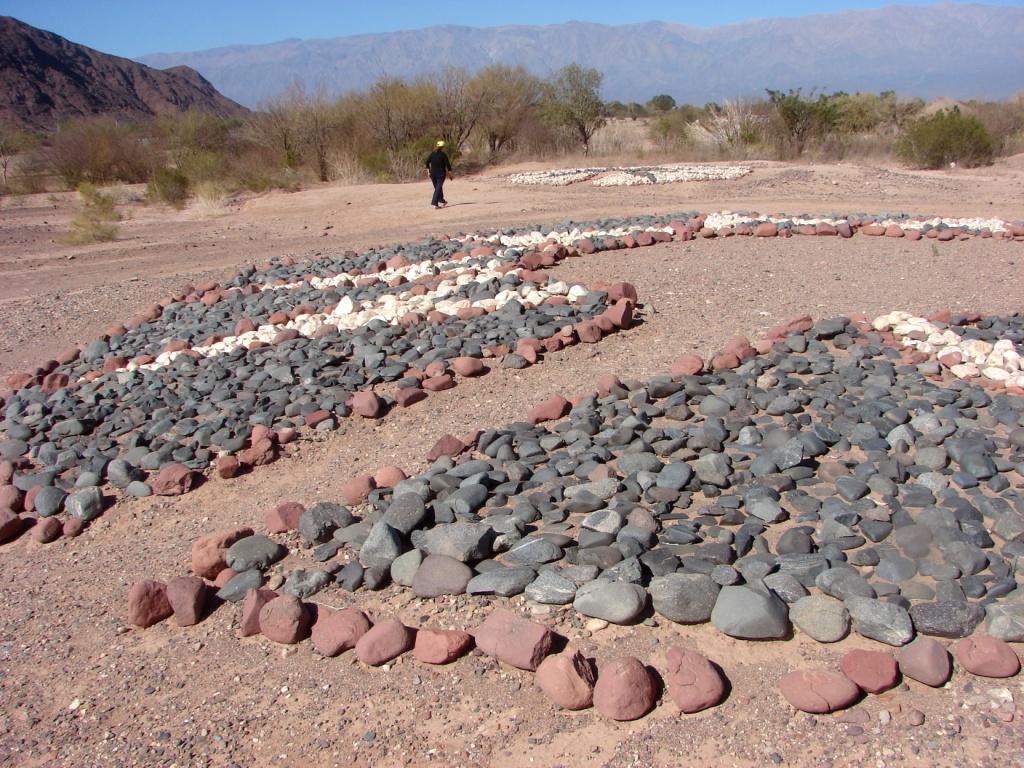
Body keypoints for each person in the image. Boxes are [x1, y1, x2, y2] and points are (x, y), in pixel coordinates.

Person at [425, 140, 453, 208]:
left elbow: (427, 162)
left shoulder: (432, 154)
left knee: (438, 188)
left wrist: (428, 171)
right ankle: (434, 203)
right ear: (443, 147)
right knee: (438, 188)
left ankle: (442, 200)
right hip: (441, 174)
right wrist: (450, 174)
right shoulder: (443, 155)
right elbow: (448, 165)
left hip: (432, 174)